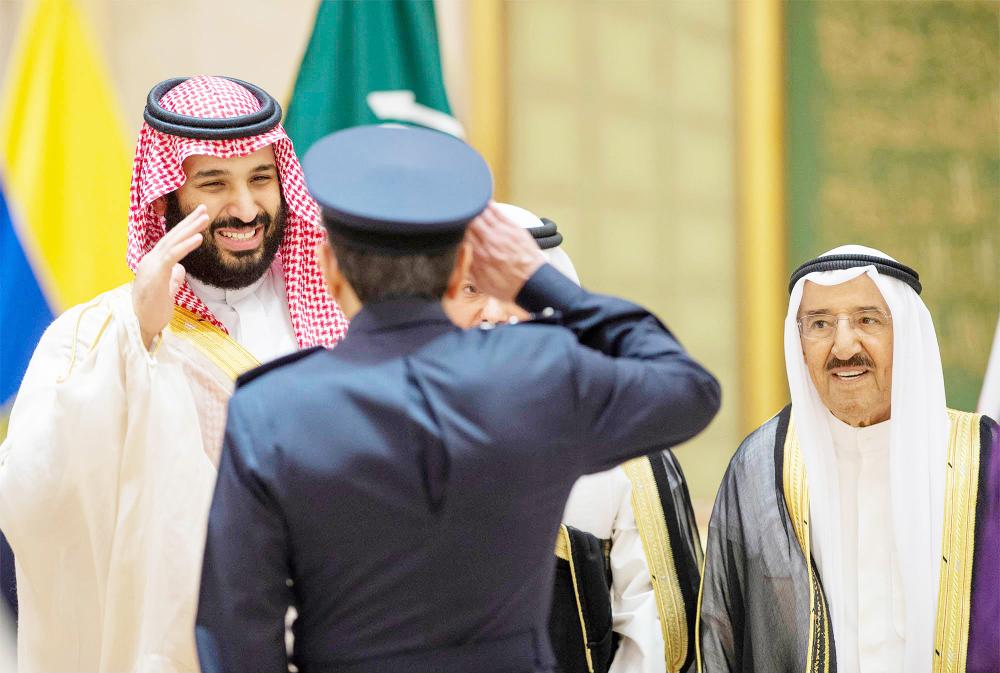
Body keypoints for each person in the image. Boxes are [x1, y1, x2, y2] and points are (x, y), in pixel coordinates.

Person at [195, 124, 721, 673]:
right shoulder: (536, 378)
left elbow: (235, 631)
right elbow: (690, 388)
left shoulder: (271, 409)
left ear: (328, 270)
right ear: (461, 275)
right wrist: (542, 284)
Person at [0, 75, 346, 672]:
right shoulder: (97, 334)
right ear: (165, 198)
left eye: (261, 179)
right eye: (214, 184)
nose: (245, 209)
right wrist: (138, 337)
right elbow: (33, 493)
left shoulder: (340, 314)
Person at [697, 246, 999, 673]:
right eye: (819, 324)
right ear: (800, 344)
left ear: (906, 334)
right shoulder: (762, 465)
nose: (843, 346)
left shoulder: (984, 460)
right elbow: (722, 633)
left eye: (867, 320)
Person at [444, 203, 702, 673]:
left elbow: (657, 640)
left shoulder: (625, 453)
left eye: (517, 290)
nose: (495, 314)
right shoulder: (393, 435)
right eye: (470, 289)